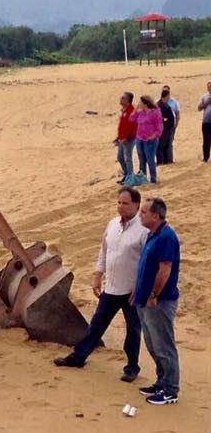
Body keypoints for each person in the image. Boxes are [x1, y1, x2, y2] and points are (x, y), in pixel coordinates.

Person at [54, 187, 148, 381]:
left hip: (132, 290)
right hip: (112, 286)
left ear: (137, 205)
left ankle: (132, 366)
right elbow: (104, 251)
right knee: (97, 325)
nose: (120, 207)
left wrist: (140, 286)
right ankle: (78, 357)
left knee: (133, 330)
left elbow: (148, 261)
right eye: (119, 203)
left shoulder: (144, 229)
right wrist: (98, 275)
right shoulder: (113, 224)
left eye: (125, 203)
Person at [134, 197, 181, 405]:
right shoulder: (151, 234)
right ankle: (161, 382)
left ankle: (170, 389)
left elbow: (165, 269)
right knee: (152, 344)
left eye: (144, 212)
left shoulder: (166, 237)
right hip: (144, 299)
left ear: (156, 215)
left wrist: (154, 294)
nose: (140, 215)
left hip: (159, 301)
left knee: (164, 345)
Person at [129, 95, 162, 184]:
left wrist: (154, 135)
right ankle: (142, 178)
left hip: (150, 140)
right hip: (139, 139)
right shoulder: (140, 113)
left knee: (150, 159)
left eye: (140, 102)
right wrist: (136, 110)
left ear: (145, 103)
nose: (139, 104)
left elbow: (159, 126)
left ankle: (153, 178)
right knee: (141, 159)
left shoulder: (155, 112)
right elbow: (131, 119)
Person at [114, 92, 137, 182]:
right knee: (120, 157)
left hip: (129, 139)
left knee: (128, 158)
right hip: (122, 138)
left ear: (128, 100)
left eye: (123, 98)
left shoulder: (131, 111)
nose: (121, 99)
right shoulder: (124, 110)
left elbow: (131, 127)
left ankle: (130, 178)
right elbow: (122, 125)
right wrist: (118, 137)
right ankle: (127, 175)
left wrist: (125, 138)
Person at [156, 89, 175, 165]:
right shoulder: (159, 105)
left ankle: (166, 160)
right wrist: (164, 120)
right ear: (167, 96)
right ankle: (160, 161)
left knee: (167, 144)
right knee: (161, 145)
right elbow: (158, 117)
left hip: (168, 128)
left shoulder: (165, 104)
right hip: (163, 129)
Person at [162, 84, 180, 163]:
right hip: (162, 126)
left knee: (170, 142)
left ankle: (169, 159)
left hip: (171, 125)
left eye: (166, 90)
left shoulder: (174, 102)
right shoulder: (159, 101)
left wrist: (176, 124)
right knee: (162, 143)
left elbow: (177, 113)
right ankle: (163, 159)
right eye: (163, 90)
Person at [199, 81, 211, 162]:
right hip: (206, 122)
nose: (210, 88)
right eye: (208, 87)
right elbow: (199, 108)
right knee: (206, 140)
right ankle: (205, 158)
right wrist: (207, 102)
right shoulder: (204, 97)